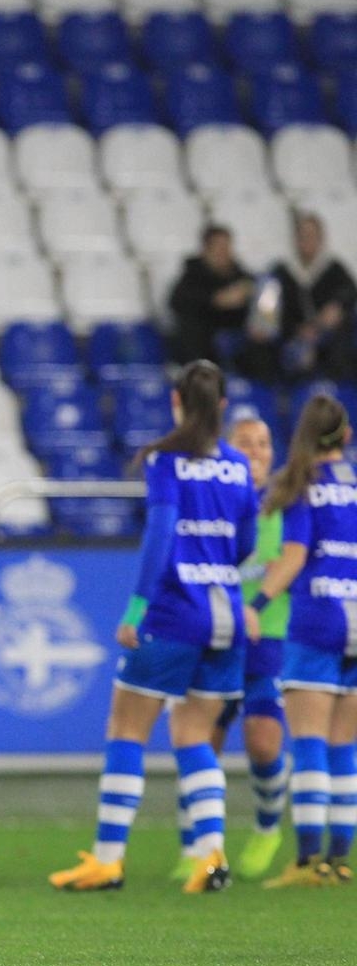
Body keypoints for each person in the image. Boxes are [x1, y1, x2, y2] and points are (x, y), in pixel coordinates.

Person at [50, 361, 256, 895]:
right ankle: (211, 854)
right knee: (194, 737)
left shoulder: (166, 461)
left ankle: (108, 860)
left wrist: (137, 609)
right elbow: (247, 542)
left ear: (176, 402)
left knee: (126, 730)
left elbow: (160, 536)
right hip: (226, 614)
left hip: (174, 613)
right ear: (224, 408)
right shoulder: (237, 467)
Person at [171, 412, 291, 882]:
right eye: (246, 444)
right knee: (204, 739)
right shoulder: (213, 495)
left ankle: (266, 828)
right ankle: (196, 843)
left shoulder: (287, 502)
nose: (257, 452)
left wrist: (257, 604)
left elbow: (291, 562)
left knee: (263, 743)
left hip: (270, 636)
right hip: (216, 630)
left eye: (263, 443)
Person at [251, 394, 357, 887]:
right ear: (346, 436)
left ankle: (308, 859)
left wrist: (255, 606)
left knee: (310, 743)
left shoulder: (302, 486)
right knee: (345, 747)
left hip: (317, 617)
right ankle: (339, 861)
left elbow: (292, 558)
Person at [265, 212, 357, 381]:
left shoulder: (334, 269)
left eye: (312, 235)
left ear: (321, 239)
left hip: (327, 338)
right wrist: (297, 330)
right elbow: (267, 310)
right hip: (291, 338)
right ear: (296, 239)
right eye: (303, 235)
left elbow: (349, 292)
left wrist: (337, 306)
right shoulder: (280, 271)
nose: (307, 240)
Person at [168, 224, 257, 373]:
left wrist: (248, 292)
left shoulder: (241, 276)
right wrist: (216, 300)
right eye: (218, 247)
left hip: (236, 340)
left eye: (227, 246)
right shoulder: (193, 274)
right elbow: (176, 301)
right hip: (201, 340)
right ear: (206, 249)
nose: (224, 252)